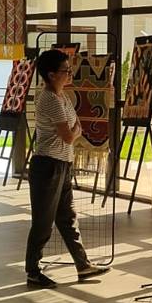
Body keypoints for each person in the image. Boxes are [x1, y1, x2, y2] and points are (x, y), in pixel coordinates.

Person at [24, 48, 110, 288]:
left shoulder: (63, 97)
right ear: (51, 74)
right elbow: (70, 135)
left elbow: (75, 127)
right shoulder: (50, 99)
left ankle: (83, 265)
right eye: (66, 70)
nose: (70, 73)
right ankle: (33, 271)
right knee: (43, 223)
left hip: (62, 164)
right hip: (48, 166)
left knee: (68, 218)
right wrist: (74, 132)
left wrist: (74, 131)